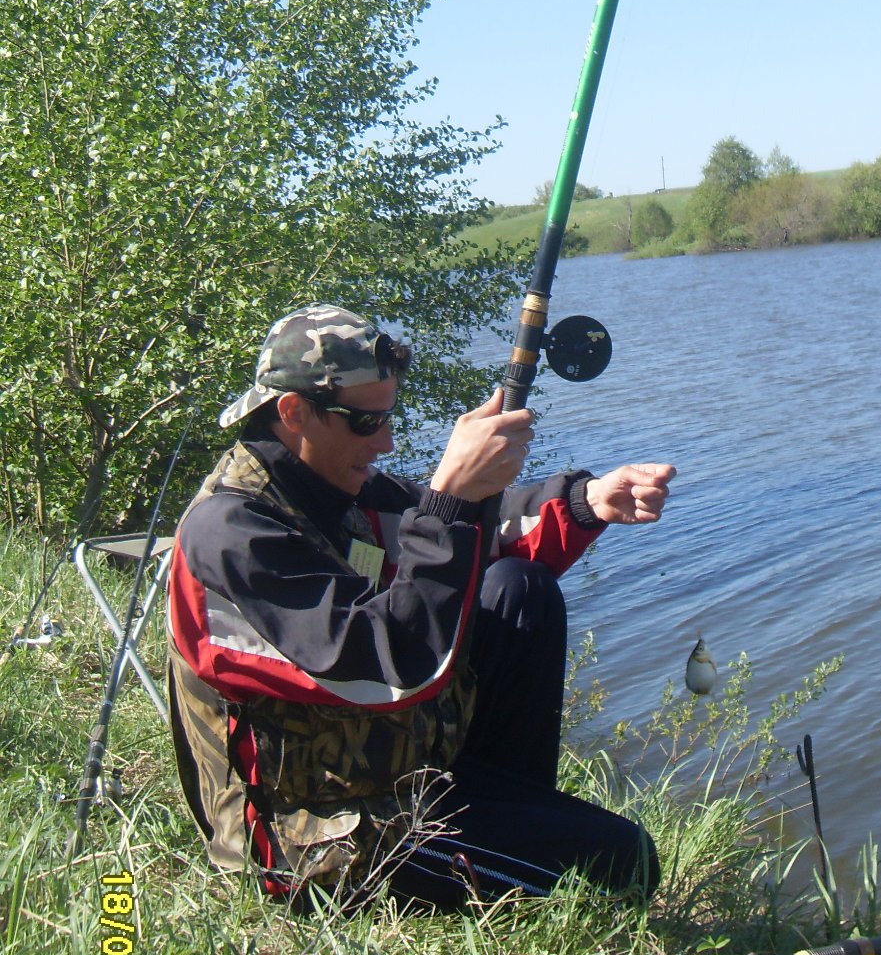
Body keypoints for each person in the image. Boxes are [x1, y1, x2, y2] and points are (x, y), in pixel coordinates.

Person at [166, 304, 674, 912]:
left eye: (387, 417)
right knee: (625, 865)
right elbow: (386, 666)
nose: (384, 442)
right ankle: (512, 848)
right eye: (364, 422)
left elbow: (484, 531)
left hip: (398, 776)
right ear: (292, 412)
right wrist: (451, 500)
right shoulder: (230, 535)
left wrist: (586, 501)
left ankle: (511, 808)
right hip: (307, 840)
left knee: (517, 589)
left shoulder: (334, 487)